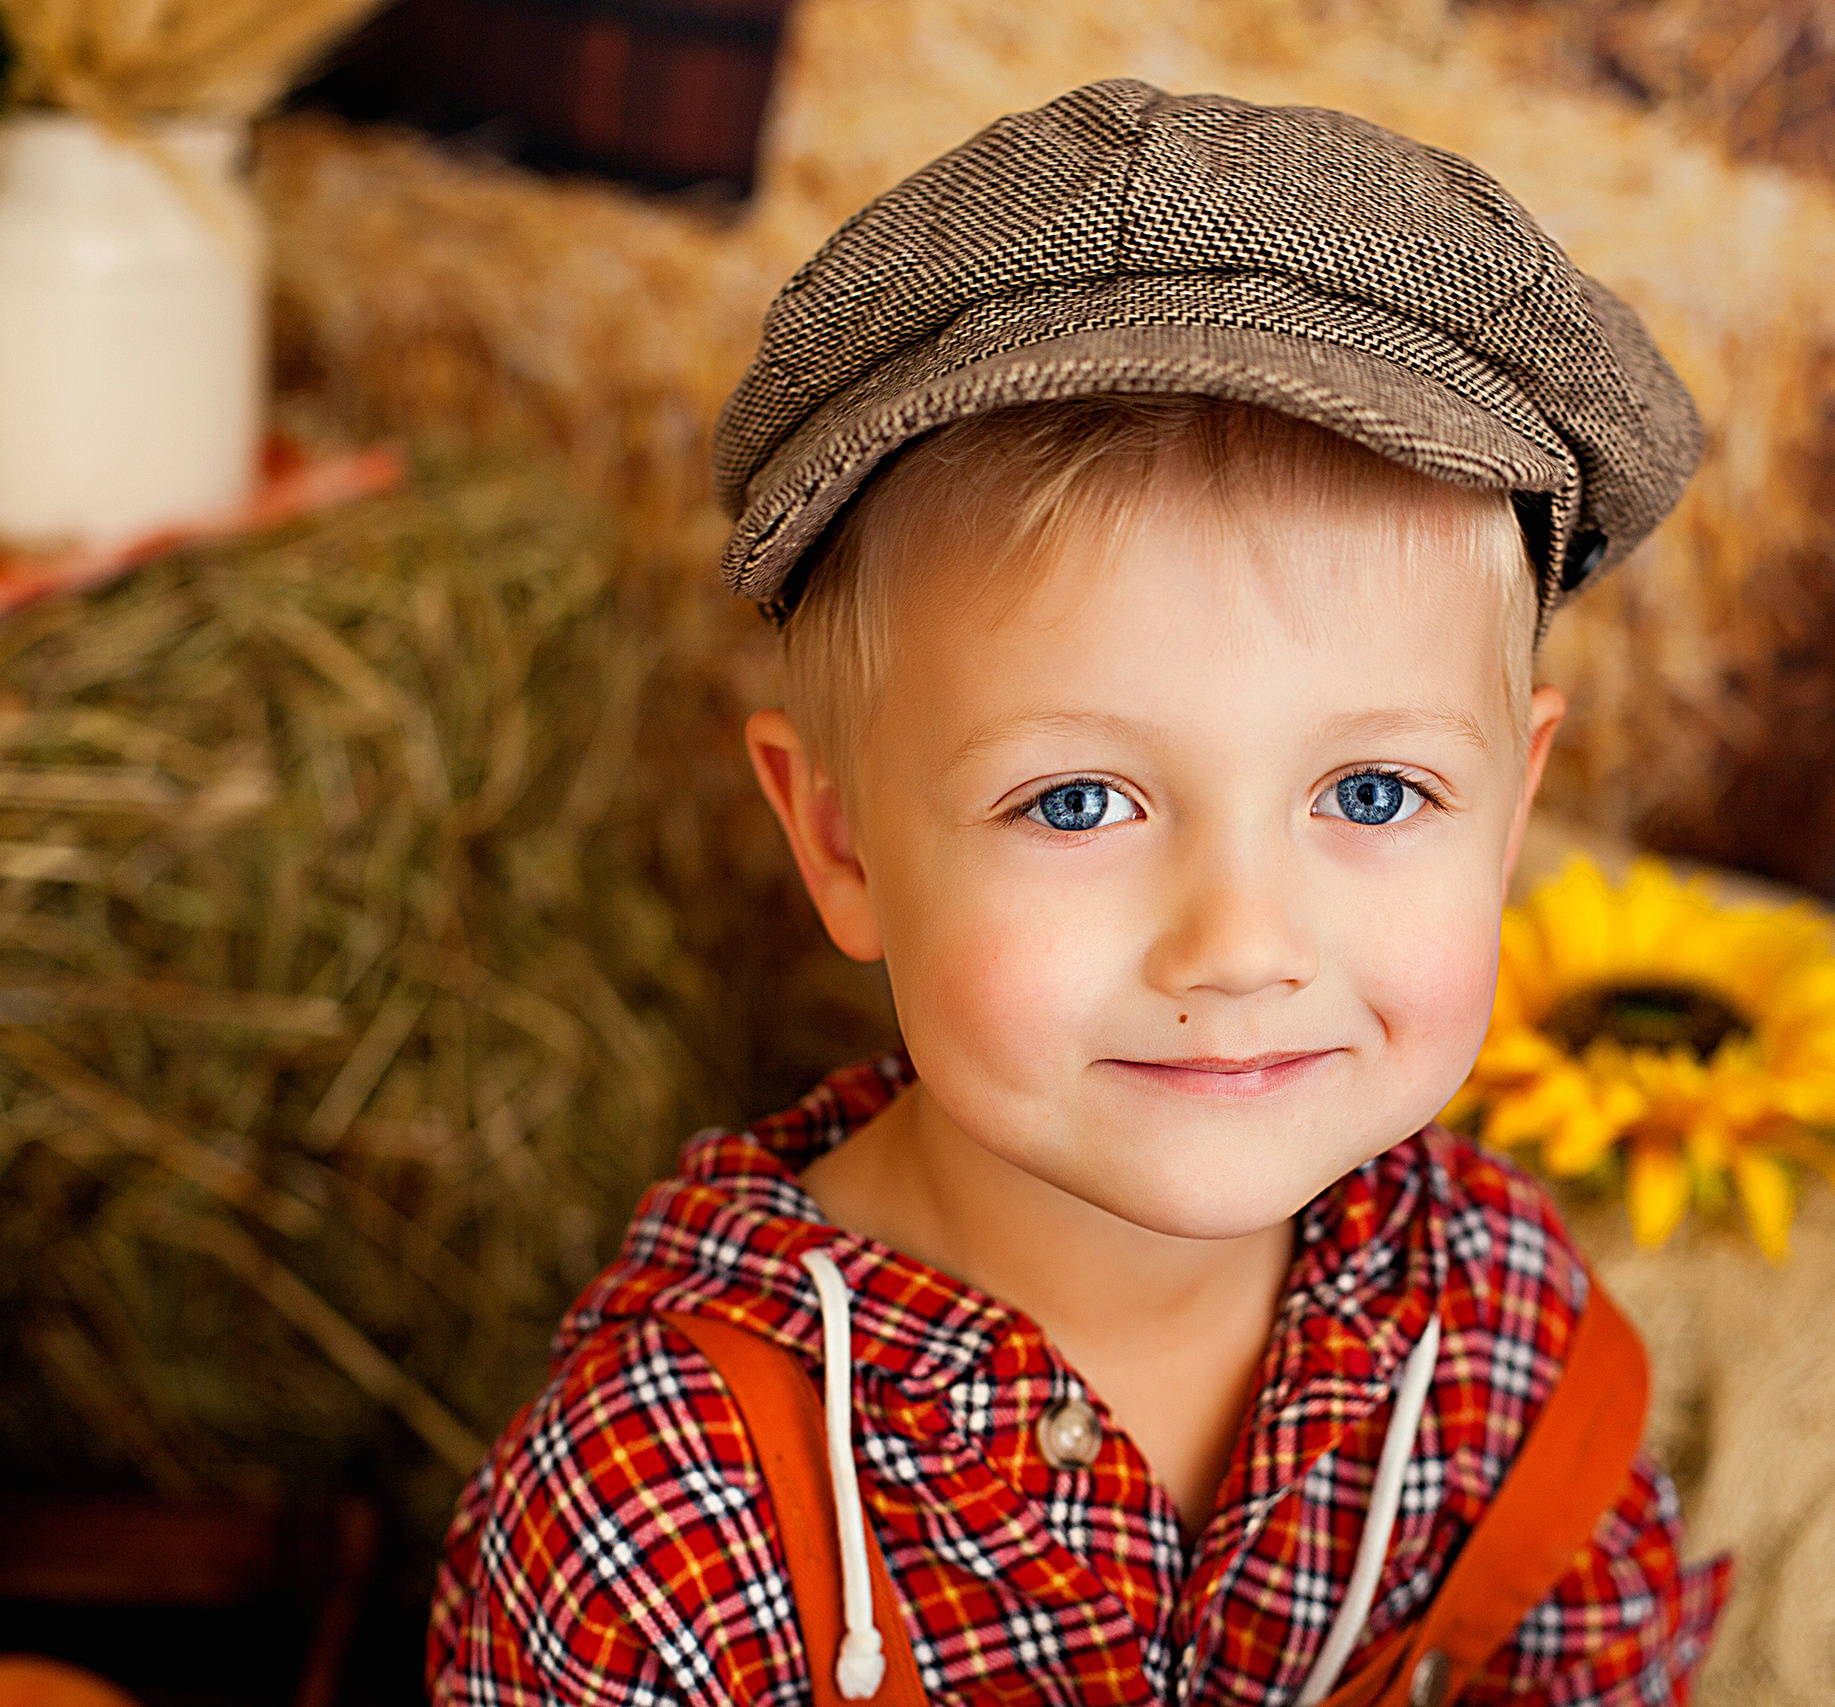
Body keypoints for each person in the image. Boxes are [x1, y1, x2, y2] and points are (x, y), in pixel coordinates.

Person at [430, 78, 1730, 1707]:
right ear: (839, 844)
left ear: (1514, 807)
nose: (1242, 943)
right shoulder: (663, 1526)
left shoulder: (1499, 1345)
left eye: (1374, 793)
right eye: (1077, 800)